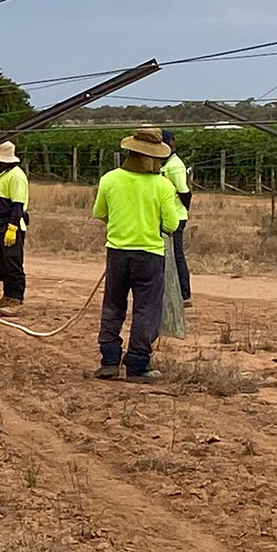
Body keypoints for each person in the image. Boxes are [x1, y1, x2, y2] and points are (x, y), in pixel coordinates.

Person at [93, 127, 183, 382]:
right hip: (150, 256)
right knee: (146, 310)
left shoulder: (110, 179)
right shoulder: (163, 185)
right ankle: (137, 364)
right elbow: (171, 225)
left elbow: (100, 213)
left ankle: (109, 360)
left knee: (113, 307)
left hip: (117, 253)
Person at [0, 141, 29, 311]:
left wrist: (12, 228)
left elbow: (18, 205)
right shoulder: (0, 174)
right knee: (0, 262)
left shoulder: (16, 176)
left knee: (12, 262)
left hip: (11, 222)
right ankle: (7, 295)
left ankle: (16, 298)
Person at [158, 130, 193, 308]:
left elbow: (184, 191)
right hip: (166, 214)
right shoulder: (164, 162)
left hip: (176, 216)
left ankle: (184, 294)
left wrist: (183, 209)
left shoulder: (175, 165)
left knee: (176, 255)